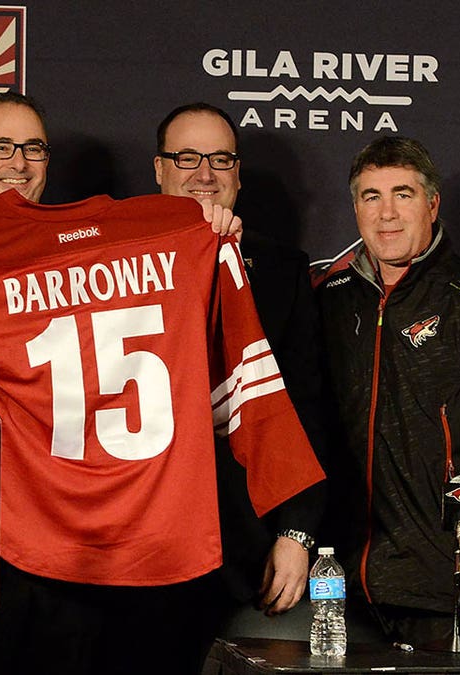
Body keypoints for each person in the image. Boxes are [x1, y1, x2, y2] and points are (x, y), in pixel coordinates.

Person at [0, 92, 323, 675]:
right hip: (18, 542)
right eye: (1, 147)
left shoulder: (180, 236)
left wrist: (296, 524)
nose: (17, 162)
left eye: (32, 148)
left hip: (124, 550)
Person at [316, 135, 460, 646]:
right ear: (354, 207)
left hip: (446, 584)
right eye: (370, 196)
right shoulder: (327, 301)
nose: (387, 214)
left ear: (432, 203)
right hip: (337, 585)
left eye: (403, 194)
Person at [153, 103, 329, 626]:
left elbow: (309, 408)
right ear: (158, 169)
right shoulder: (107, 256)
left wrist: (298, 533)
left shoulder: (280, 269)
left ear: (237, 174)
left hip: (241, 546)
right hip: (132, 550)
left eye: (221, 159)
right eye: (186, 157)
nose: (204, 174)